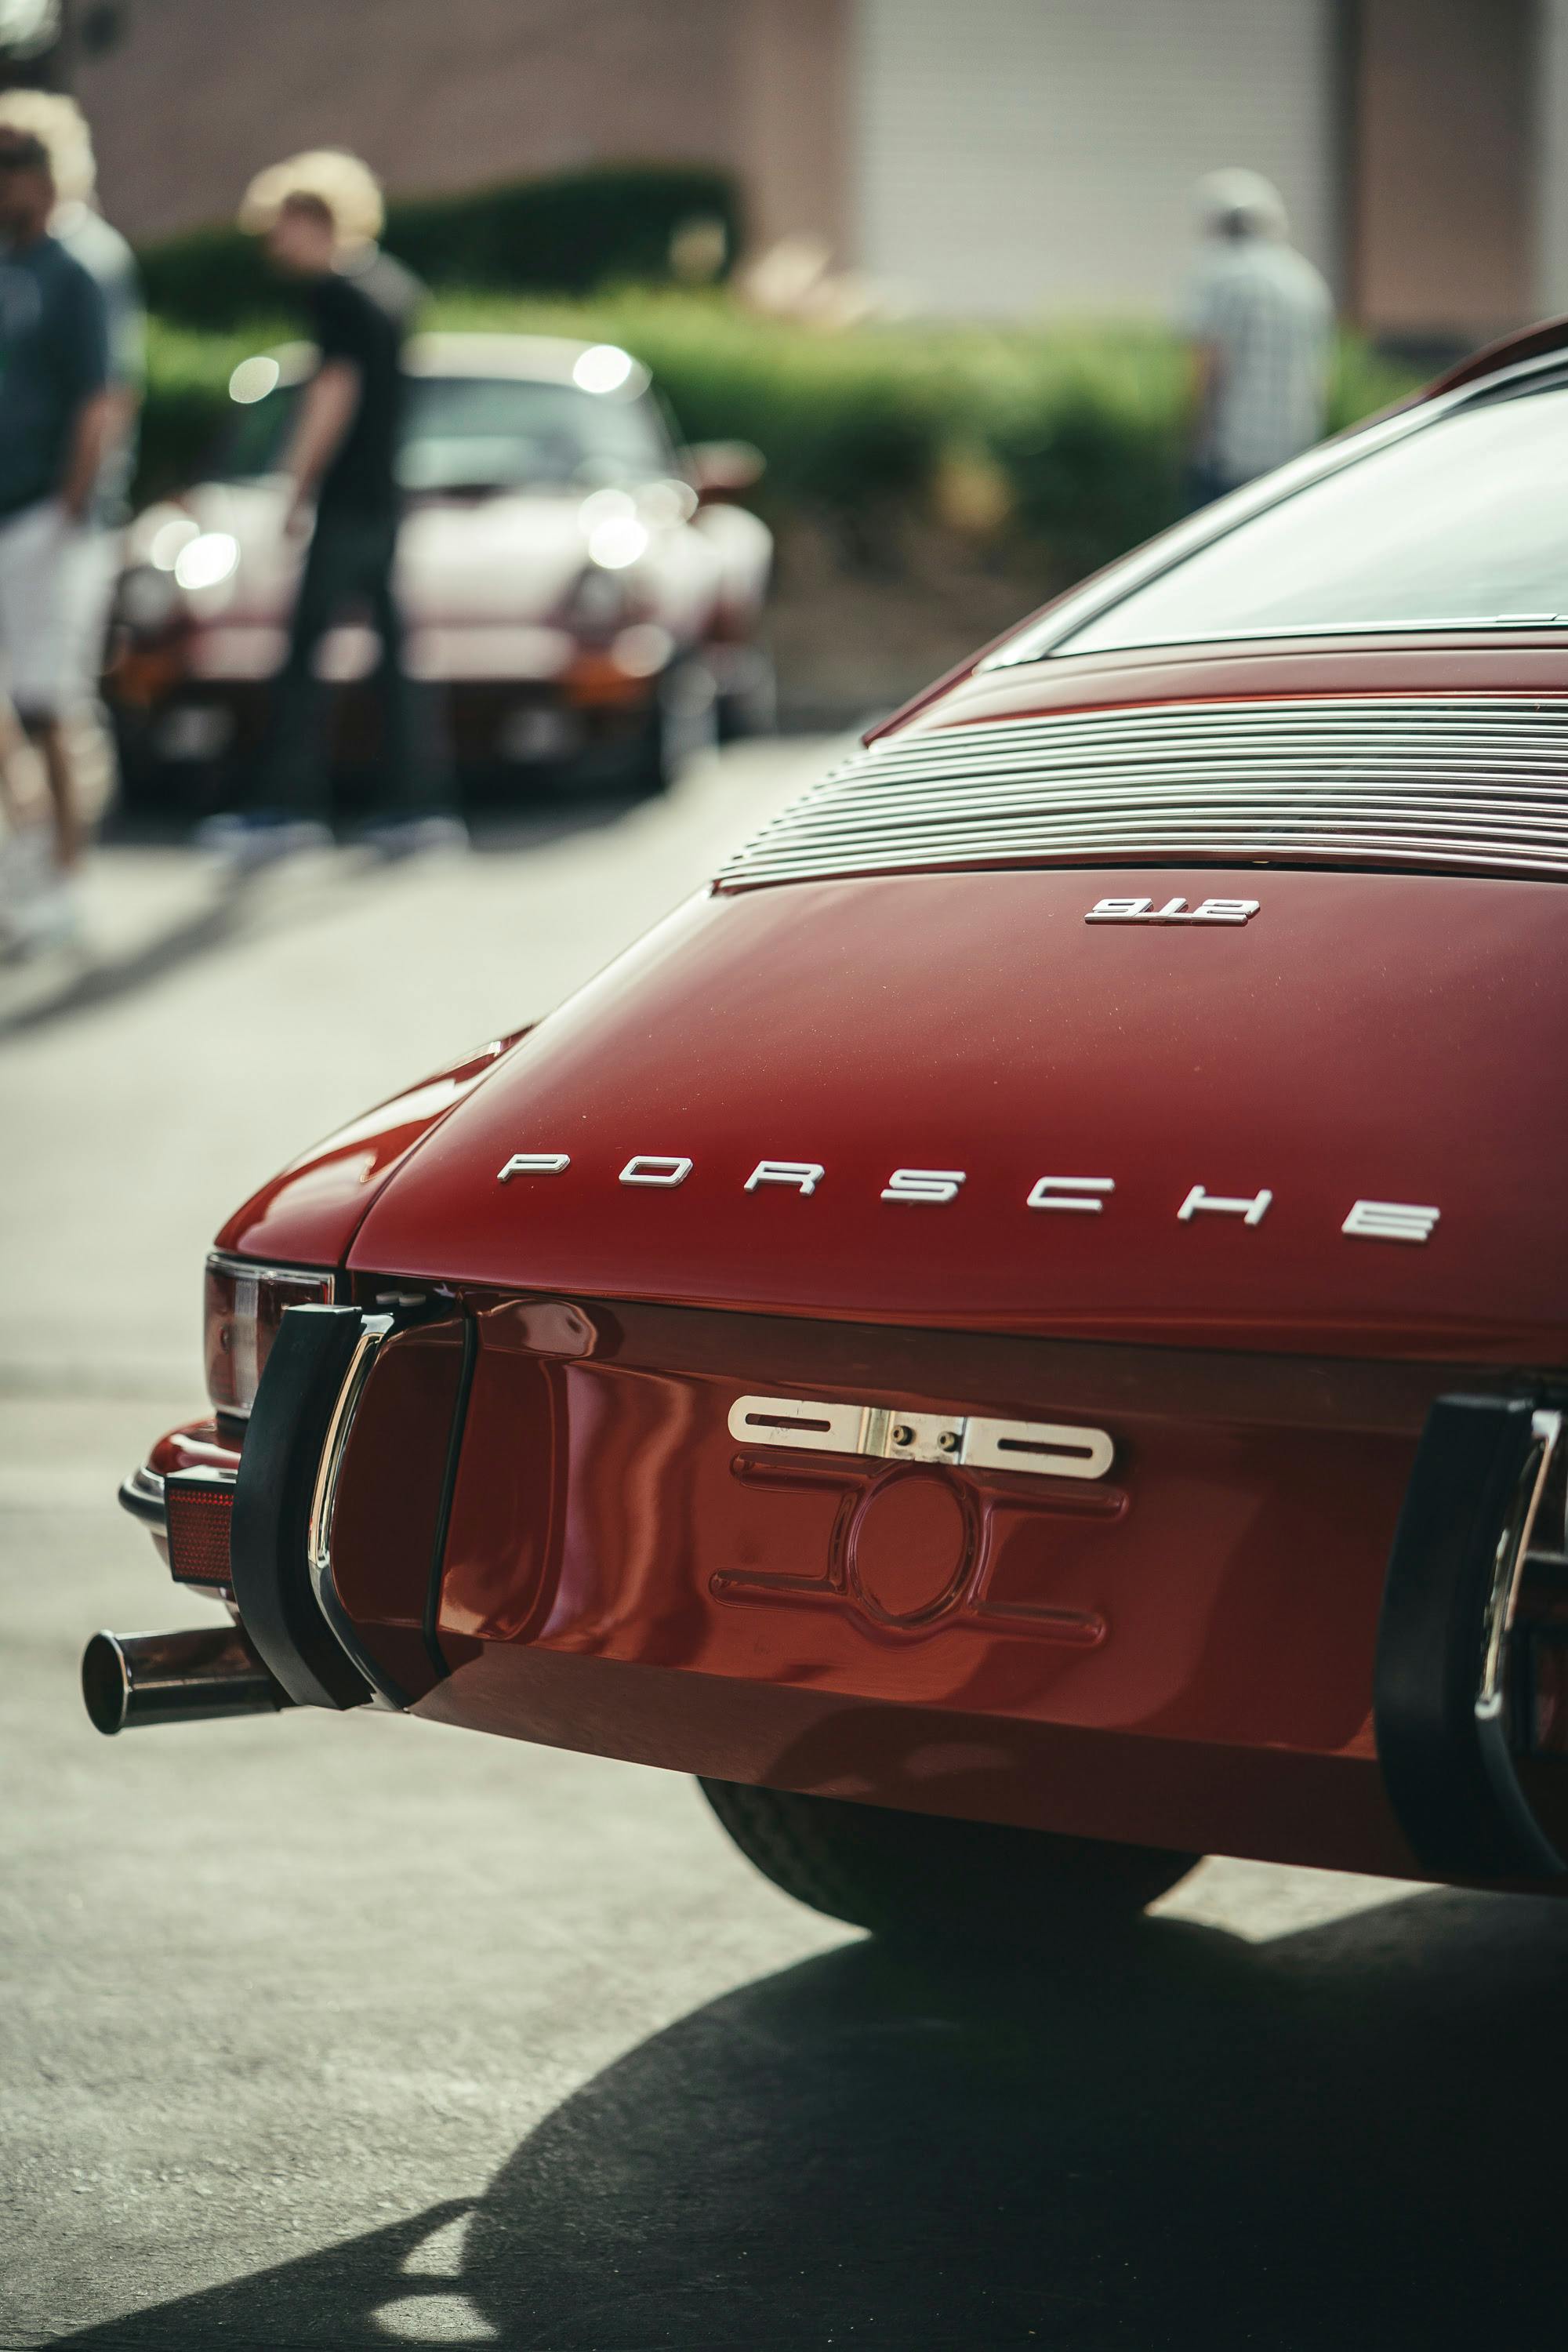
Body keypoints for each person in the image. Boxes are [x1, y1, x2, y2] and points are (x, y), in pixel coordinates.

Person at [201, 150, 459, 865]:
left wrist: (294, 485)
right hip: (381, 498)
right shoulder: (392, 286)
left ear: (314, 221)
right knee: (391, 657)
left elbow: (331, 395)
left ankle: (286, 806)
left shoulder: (339, 295)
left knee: (306, 652)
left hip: (348, 501)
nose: (274, 246)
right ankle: (416, 806)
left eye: (281, 229)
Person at [0, 89, 143, 938]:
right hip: (5, 511)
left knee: (51, 701)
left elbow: (103, 398)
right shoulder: (10, 261)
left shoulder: (84, 262)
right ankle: (25, 849)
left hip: (53, 523)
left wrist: (68, 509)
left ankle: (69, 872)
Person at [1180, 169, 1333, 511]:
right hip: (1295, 452)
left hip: (1230, 456)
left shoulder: (1220, 274)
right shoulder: (1303, 278)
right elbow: (1322, 374)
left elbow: (1207, 365)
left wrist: (1191, 438)